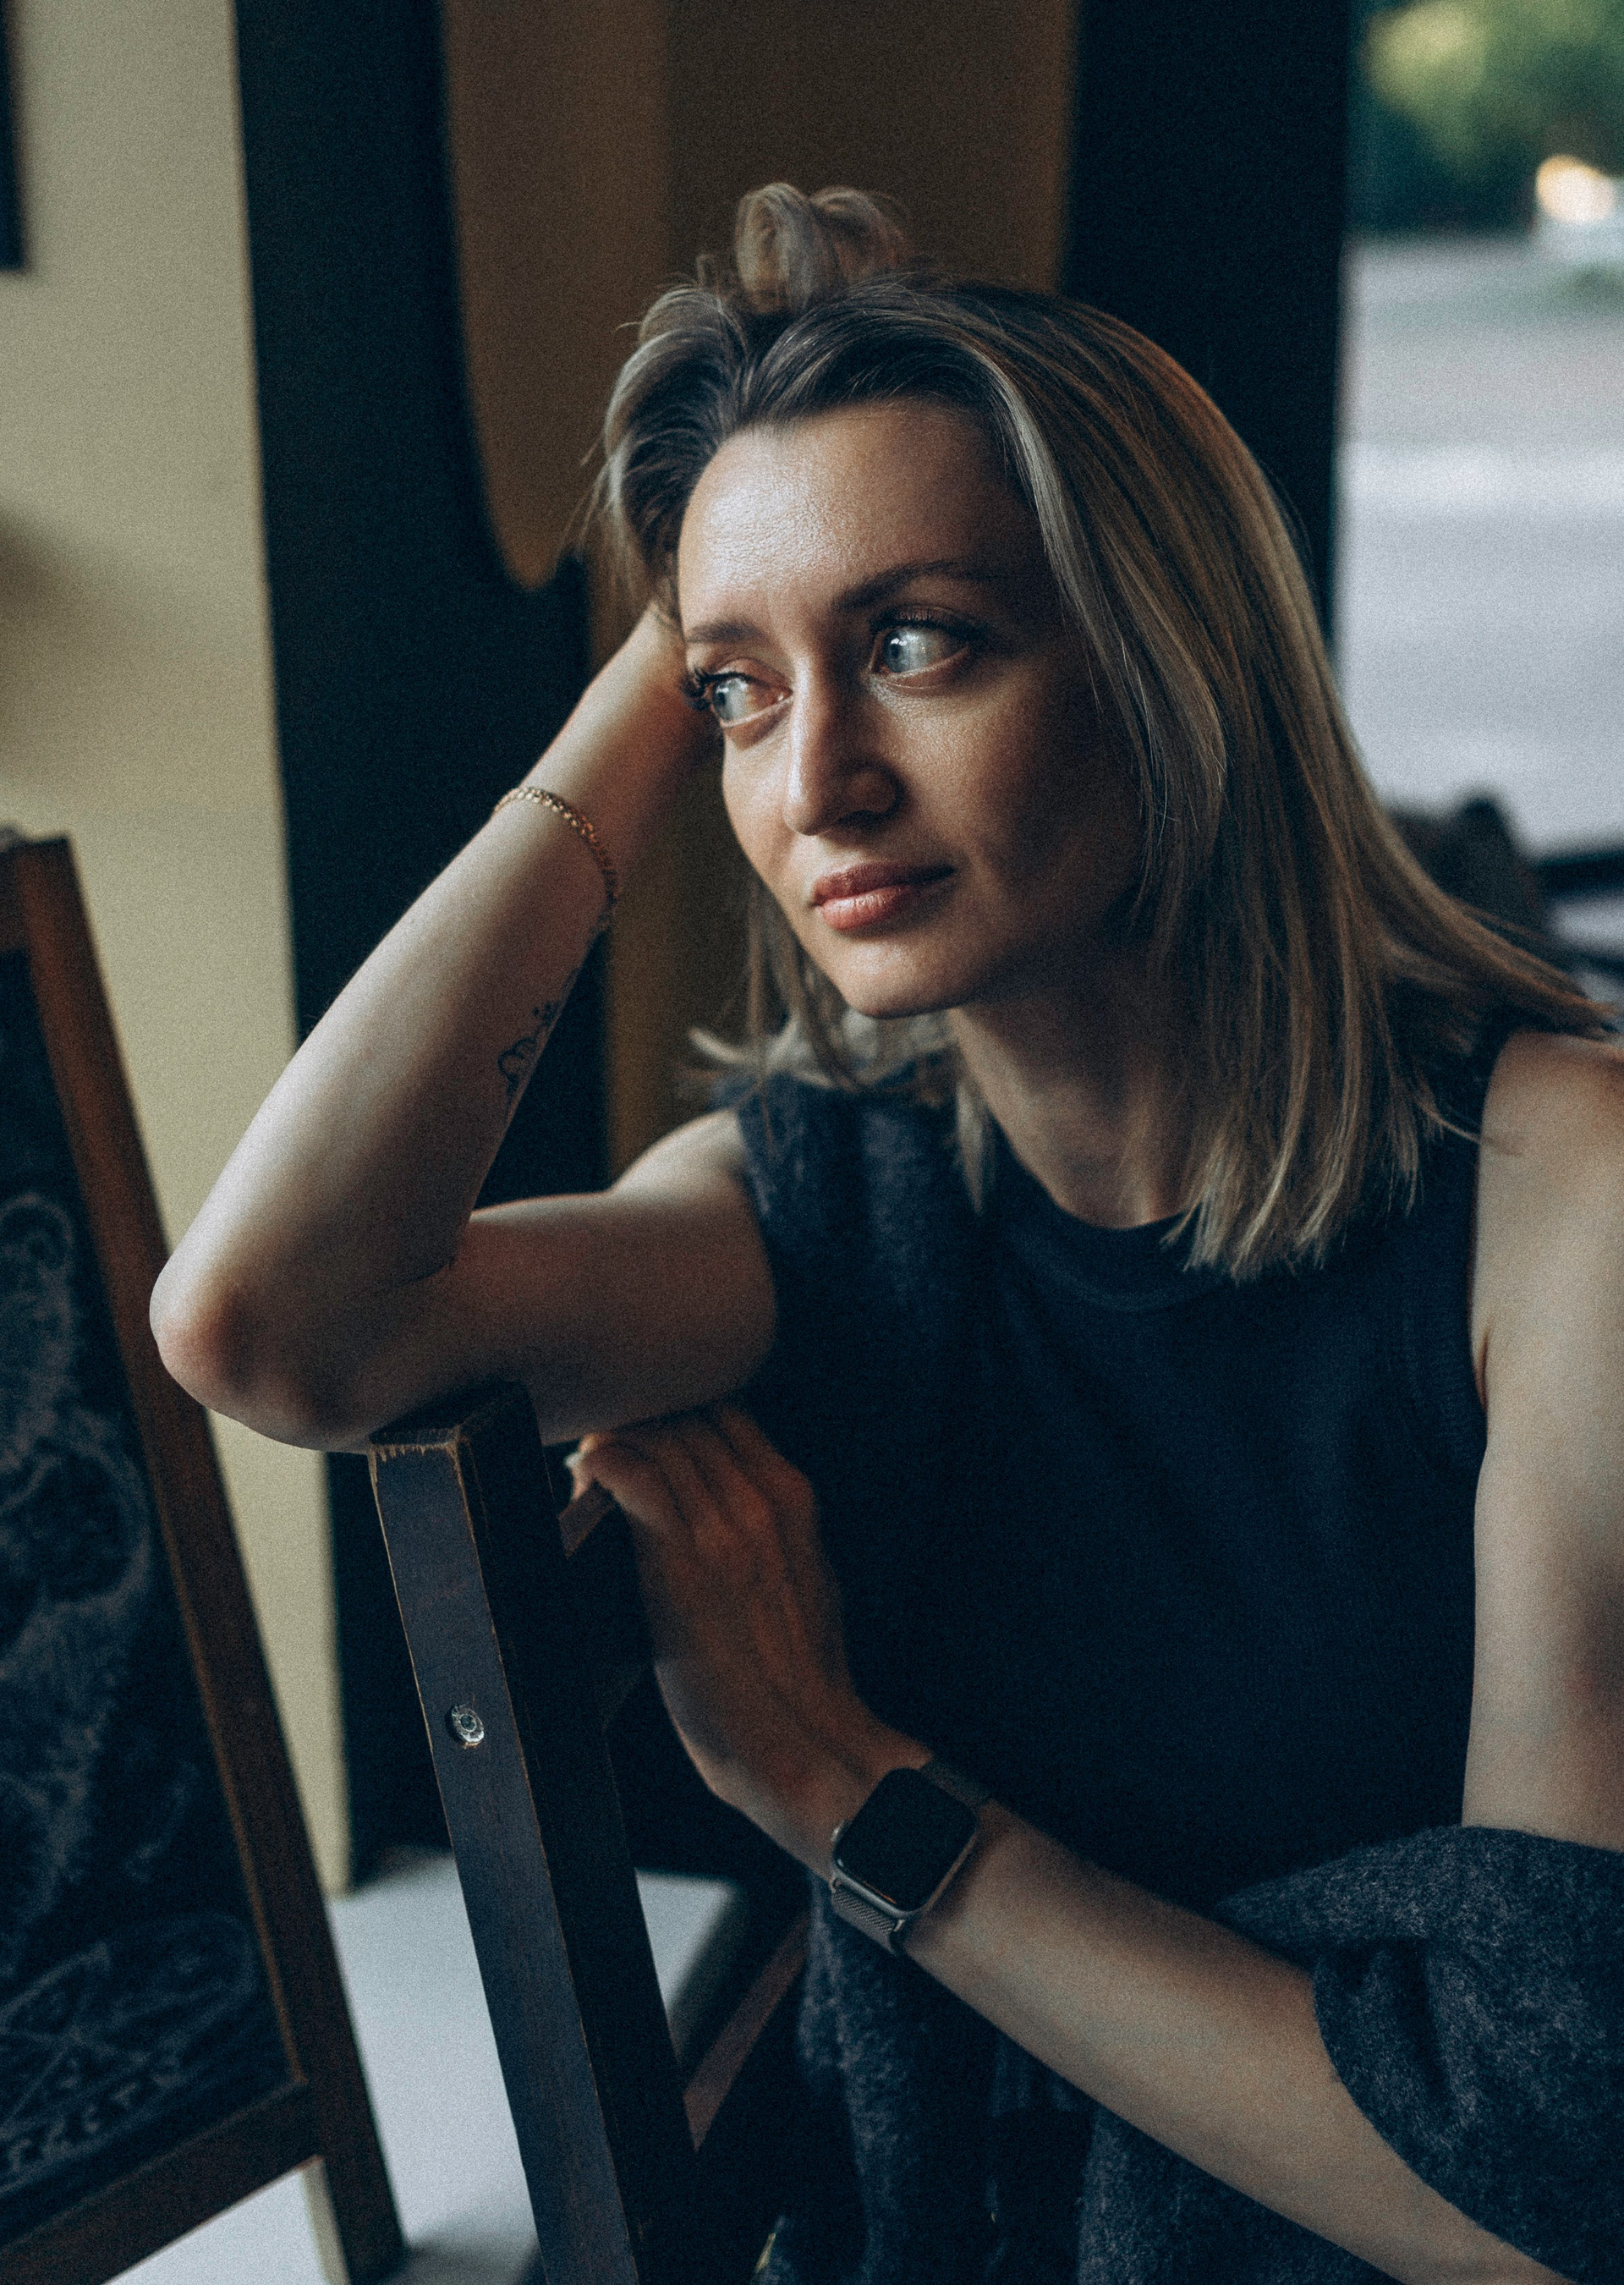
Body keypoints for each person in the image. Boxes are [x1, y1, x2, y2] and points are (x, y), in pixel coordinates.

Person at [152, 187, 1624, 2285]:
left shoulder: (1564, 1196)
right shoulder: (841, 1203)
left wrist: (856, 1797)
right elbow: (270, 1320)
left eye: (920, 643)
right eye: (739, 698)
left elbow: (1547, 2186)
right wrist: (685, 632)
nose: (818, 784)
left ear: (1168, 661)